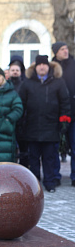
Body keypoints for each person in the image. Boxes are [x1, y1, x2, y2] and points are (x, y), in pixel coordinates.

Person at [19, 55, 70, 193]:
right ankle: (35, 184)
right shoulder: (27, 83)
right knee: (33, 158)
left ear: (49, 66)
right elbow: (21, 103)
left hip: (51, 127)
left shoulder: (58, 82)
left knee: (49, 158)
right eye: (39, 65)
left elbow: (65, 102)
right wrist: (21, 121)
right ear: (35, 67)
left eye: (44, 65)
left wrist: (64, 120)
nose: (42, 67)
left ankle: (50, 182)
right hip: (32, 127)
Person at [52, 41, 75, 187]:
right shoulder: (51, 67)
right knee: (55, 146)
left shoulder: (73, 64)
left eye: (66, 48)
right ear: (56, 52)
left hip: (73, 113)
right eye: (62, 49)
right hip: (56, 113)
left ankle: (74, 176)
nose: (65, 51)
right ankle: (55, 176)